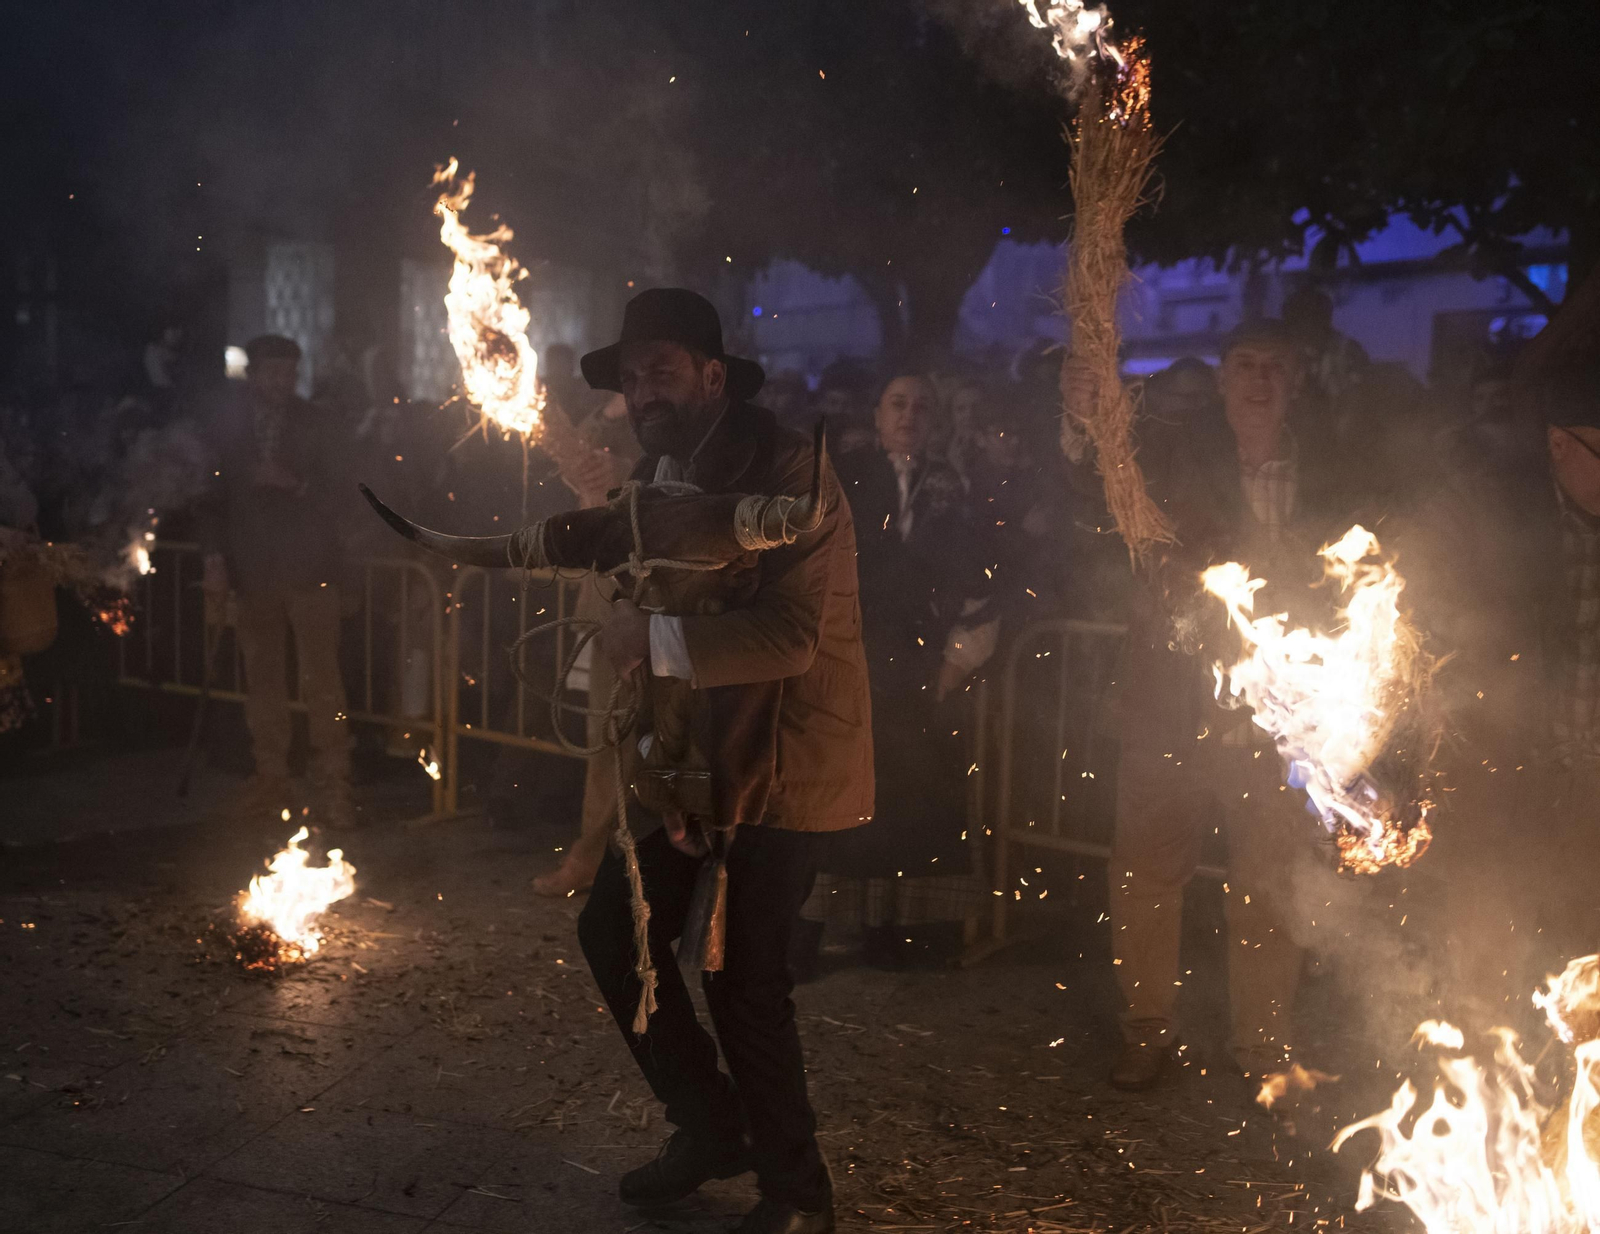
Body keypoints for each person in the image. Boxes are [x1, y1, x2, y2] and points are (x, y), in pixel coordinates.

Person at [578, 288, 872, 1234]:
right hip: (695, 749)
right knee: (616, 935)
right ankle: (709, 1128)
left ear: (713, 376)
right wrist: (666, 764)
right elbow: (656, 614)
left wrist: (647, 639)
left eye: (659, 371)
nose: (640, 391)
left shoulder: (795, 471)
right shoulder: (654, 476)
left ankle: (799, 1193)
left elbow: (789, 636)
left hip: (786, 756)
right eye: (628, 378)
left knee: (743, 980)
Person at [1079, 318, 1370, 1090]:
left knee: (1272, 877)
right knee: (1146, 868)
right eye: (1244, 364)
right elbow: (1105, 508)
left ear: (1297, 381)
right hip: (1168, 702)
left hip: (1276, 716)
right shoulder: (1174, 459)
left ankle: (1264, 1046)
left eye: (1276, 367)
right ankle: (1146, 1031)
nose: (1259, 380)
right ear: (1220, 379)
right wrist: (1085, 423)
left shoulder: (1332, 470)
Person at [823, 374, 998, 967]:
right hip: (854, 653)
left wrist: (957, 657)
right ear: (876, 414)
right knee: (852, 790)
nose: (909, 415)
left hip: (923, 661)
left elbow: (977, 573)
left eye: (922, 406)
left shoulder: (954, 487)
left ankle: (915, 931)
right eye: (897, 403)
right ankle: (845, 922)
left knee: (919, 792)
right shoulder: (844, 479)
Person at [201, 334, 356, 825]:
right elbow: (211, 498)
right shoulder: (230, 428)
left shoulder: (320, 423)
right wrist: (214, 558)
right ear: (253, 374)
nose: (282, 382)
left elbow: (347, 493)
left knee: (322, 683)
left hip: (311, 571)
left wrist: (295, 484)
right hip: (254, 572)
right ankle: (272, 779)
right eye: (272, 372)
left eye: (289, 373)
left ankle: (335, 784)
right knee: (263, 681)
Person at [531, 388, 641, 898]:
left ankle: (642, 868)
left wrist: (627, 472)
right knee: (607, 744)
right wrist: (610, 410)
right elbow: (569, 450)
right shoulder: (608, 427)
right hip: (608, 600)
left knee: (664, 746)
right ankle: (594, 858)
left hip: (663, 600)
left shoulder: (672, 429)